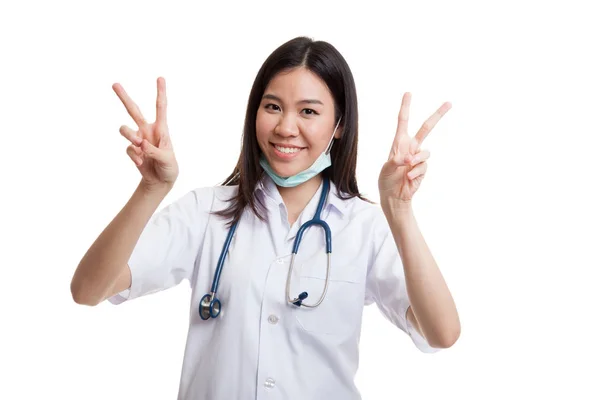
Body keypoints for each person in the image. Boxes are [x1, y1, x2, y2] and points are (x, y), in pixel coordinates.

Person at [71, 36, 460, 400]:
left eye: (308, 111)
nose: (285, 128)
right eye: (272, 106)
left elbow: (441, 333)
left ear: (339, 125)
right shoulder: (206, 213)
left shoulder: (364, 227)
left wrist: (400, 211)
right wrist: (150, 190)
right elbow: (88, 290)